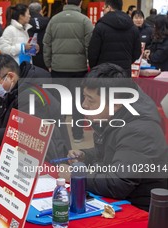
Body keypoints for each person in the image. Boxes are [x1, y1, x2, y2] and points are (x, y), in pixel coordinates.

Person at [64, 63, 168, 211]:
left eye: (90, 100)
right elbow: (114, 150)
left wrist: (76, 177)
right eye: (84, 97)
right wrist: (86, 156)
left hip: (143, 211)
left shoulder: (139, 130)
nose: (84, 105)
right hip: (125, 200)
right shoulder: (117, 114)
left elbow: (119, 183)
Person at [0, 54, 71, 161]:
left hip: (48, 158)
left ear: (10, 76)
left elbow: (18, 133)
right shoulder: (12, 89)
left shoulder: (31, 96)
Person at [43, 0, 94, 143]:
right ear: (81, 2)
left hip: (58, 69)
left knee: (58, 102)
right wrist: (89, 61)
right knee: (78, 102)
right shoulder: (85, 20)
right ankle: (77, 134)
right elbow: (90, 45)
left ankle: (59, 136)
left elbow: (47, 44)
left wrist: (49, 63)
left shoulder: (54, 19)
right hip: (79, 69)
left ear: (66, 1)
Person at [88, 0, 142, 77]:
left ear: (109, 7)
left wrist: (96, 68)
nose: (103, 9)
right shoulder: (133, 27)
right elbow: (137, 52)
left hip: (103, 73)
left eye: (104, 7)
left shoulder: (100, 26)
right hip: (124, 72)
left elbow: (93, 53)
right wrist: (127, 61)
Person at [28, 2, 49, 70]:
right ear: (41, 11)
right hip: (44, 56)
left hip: (29, 56)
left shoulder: (25, 22)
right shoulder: (48, 21)